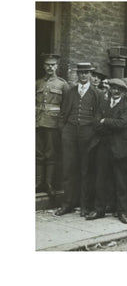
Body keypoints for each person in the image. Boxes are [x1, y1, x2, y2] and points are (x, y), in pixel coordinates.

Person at [55, 63, 101, 216]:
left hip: (87, 134)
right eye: (81, 73)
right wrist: (64, 130)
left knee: (86, 170)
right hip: (70, 133)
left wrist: (93, 132)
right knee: (69, 169)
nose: (83, 75)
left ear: (90, 74)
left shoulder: (97, 93)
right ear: (77, 74)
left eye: (86, 73)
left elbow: (98, 116)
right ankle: (67, 204)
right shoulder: (70, 91)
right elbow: (63, 113)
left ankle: (84, 206)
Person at [86, 79, 127, 224]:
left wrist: (105, 121)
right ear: (110, 89)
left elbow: (123, 123)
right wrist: (107, 123)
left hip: (119, 149)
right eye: (113, 88)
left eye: (119, 89)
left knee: (120, 182)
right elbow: (95, 124)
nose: (116, 91)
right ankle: (99, 210)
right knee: (100, 179)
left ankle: (122, 212)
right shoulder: (103, 104)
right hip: (103, 147)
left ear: (124, 92)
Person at [36, 54, 69, 200]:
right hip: (37, 122)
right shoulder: (37, 83)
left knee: (51, 154)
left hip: (53, 124)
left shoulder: (63, 84)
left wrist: (61, 124)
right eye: (47, 64)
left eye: (52, 65)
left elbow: (66, 106)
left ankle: (49, 184)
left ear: (57, 66)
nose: (50, 67)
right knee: (37, 154)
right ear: (44, 66)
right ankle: (37, 183)